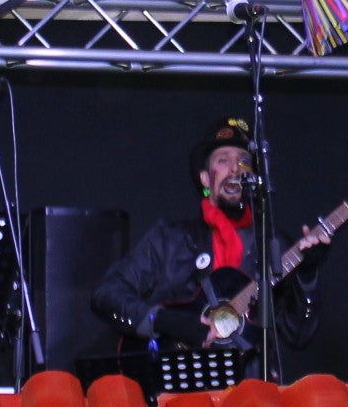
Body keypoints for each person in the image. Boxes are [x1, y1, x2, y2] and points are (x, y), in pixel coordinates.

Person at [95, 118, 332, 353]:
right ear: (206, 179)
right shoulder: (170, 240)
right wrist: (166, 321)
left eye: (244, 162)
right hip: (175, 384)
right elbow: (107, 295)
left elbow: (298, 334)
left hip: (249, 385)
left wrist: (307, 277)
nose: (234, 169)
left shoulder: (272, 244)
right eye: (223, 160)